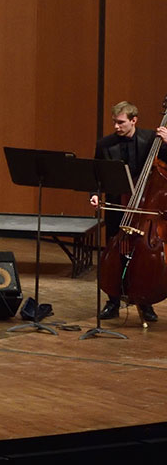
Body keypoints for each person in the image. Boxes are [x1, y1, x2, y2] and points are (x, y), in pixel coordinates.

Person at [91, 101, 167, 321]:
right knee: (115, 254)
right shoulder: (105, 144)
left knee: (143, 257)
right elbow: (96, 174)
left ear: (134, 120)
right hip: (118, 207)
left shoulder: (151, 140)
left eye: (121, 122)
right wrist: (93, 195)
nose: (116, 126)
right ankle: (113, 301)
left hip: (145, 211)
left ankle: (145, 303)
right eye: (114, 122)